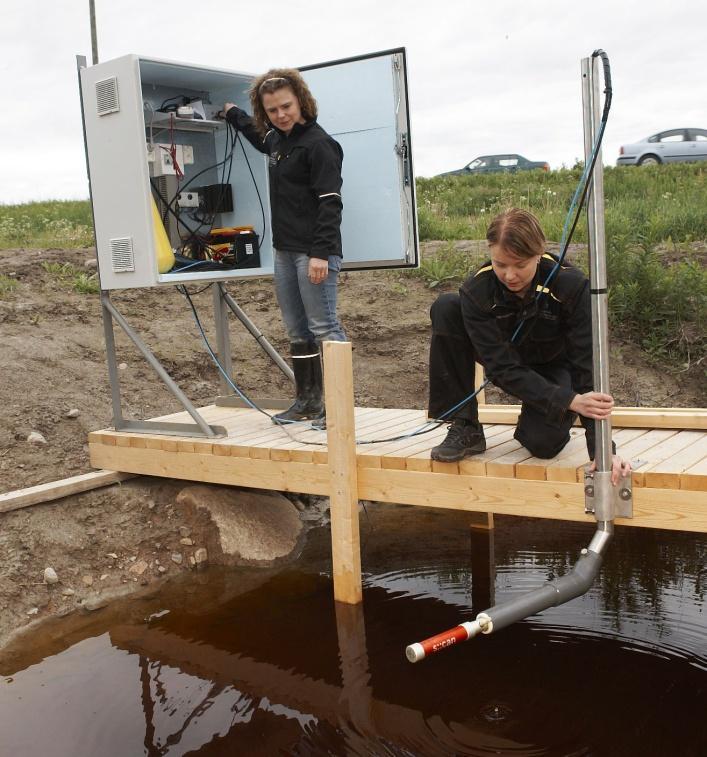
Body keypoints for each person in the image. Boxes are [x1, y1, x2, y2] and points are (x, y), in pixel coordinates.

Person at [428, 208, 630, 484]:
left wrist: (603, 452)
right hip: (506, 362)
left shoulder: (570, 286)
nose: (509, 275)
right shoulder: (478, 290)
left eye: (520, 264)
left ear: (538, 253)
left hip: (554, 366)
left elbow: (587, 366)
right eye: (500, 264)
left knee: (542, 444)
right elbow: (501, 367)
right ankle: (465, 425)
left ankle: (553, 418)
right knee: (447, 307)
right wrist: (567, 401)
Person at [223, 68, 346, 424]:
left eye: (286, 106)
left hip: (314, 252)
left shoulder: (319, 145)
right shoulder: (278, 140)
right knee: (297, 329)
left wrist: (321, 254)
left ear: (301, 101)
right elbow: (258, 136)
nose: (281, 114)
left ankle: (337, 409)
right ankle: (309, 402)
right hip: (285, 252)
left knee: (324, 327)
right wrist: (233, 114)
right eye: (273, 110)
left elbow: (330, 203)